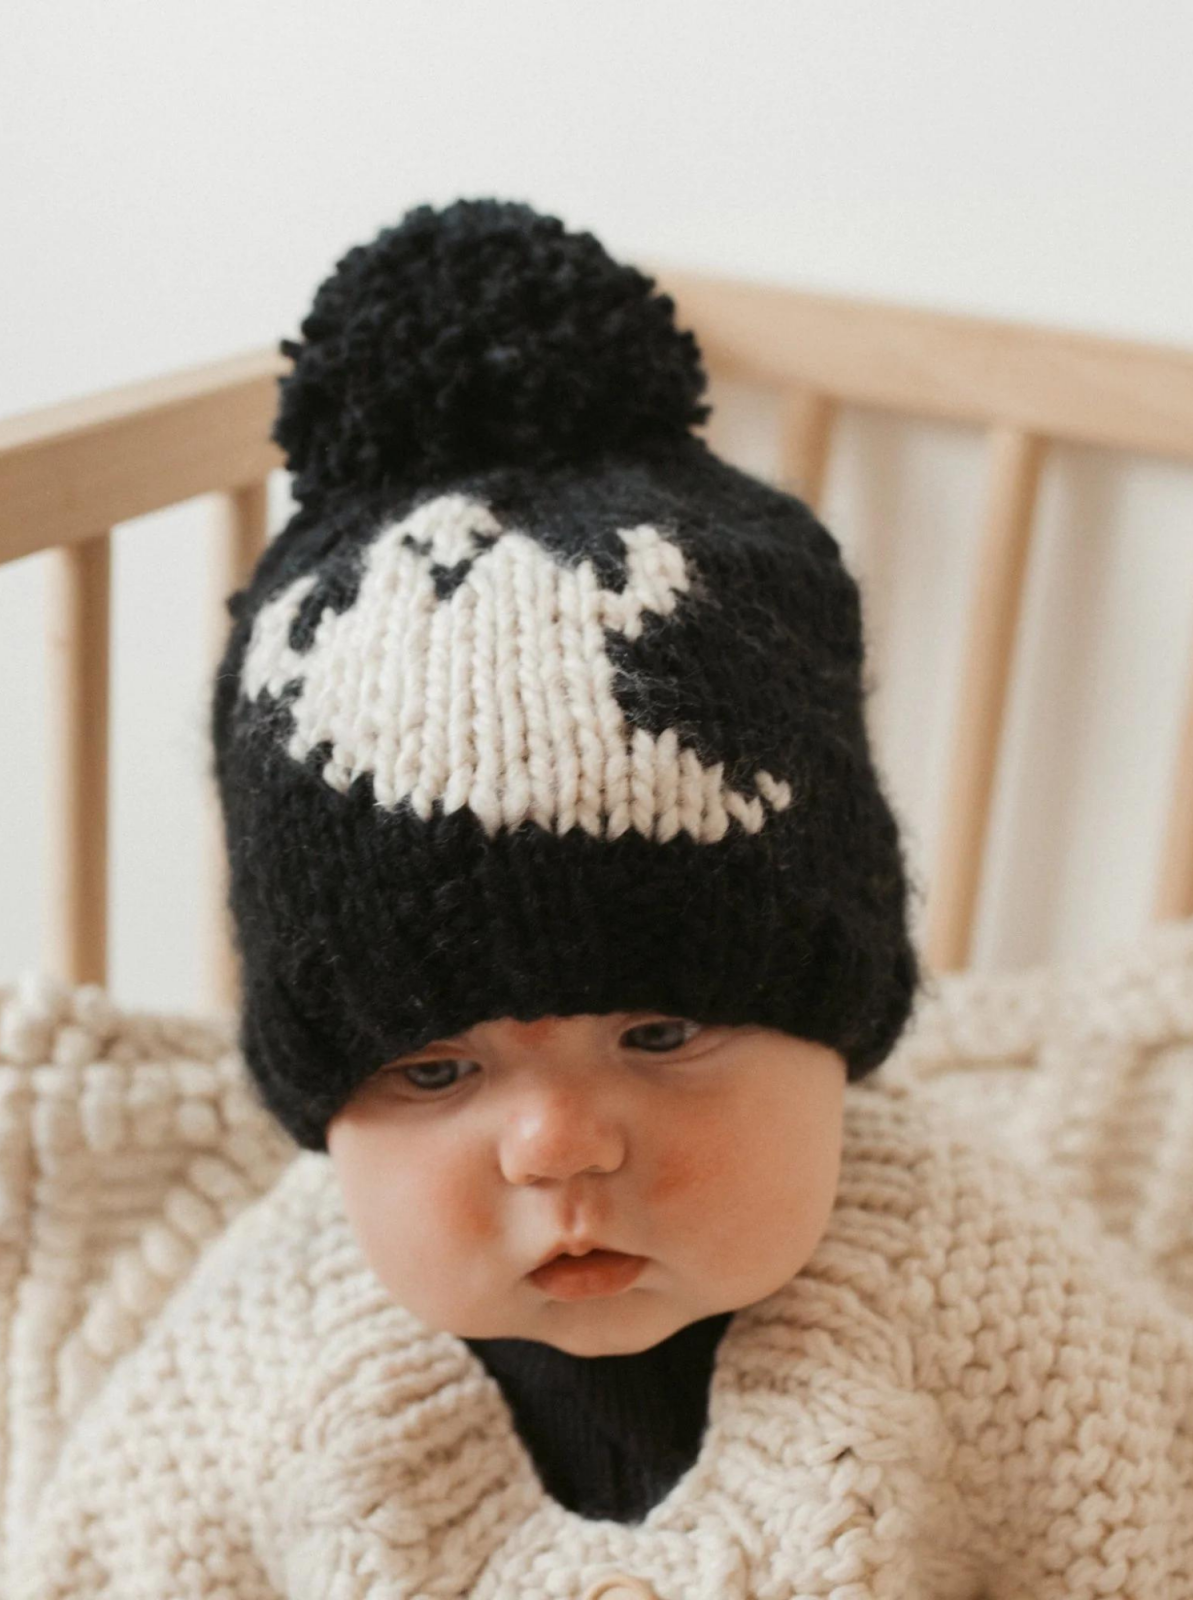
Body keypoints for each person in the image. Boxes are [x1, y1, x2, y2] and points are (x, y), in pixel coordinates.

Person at [6, 198, 1192, 1599]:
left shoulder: (992, 1292)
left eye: (662, 1033)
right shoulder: (258, 1349)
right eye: (434, 1064)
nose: (559, 1149)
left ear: (842, 1029)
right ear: (317, 1109)